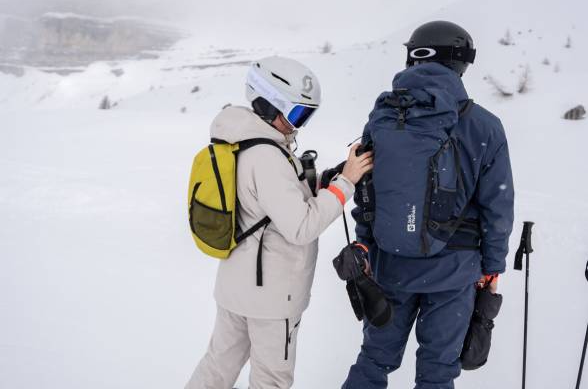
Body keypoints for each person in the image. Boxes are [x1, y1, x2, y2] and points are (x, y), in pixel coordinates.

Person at [342, 21, 515, 389]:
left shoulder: (384, 118)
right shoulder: (484, 126)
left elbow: (367, 194)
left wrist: (366, 246)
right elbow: (497, 208)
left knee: (373, 361)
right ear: (461, 63)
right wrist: (493, 267)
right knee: (437, 373)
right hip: (455, 274)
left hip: (391, 265)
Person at [185, 56, 373, 389]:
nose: (299, 125)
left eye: (307, 115)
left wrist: (326, 181)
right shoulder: (267, 156)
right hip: (272, 298)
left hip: (236, 289)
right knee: (271, 380)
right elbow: (302, 227)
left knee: (217, 367)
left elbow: (269, 202)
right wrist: (346, 184)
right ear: (270, 104)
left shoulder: (239, 140)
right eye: (298, 113)